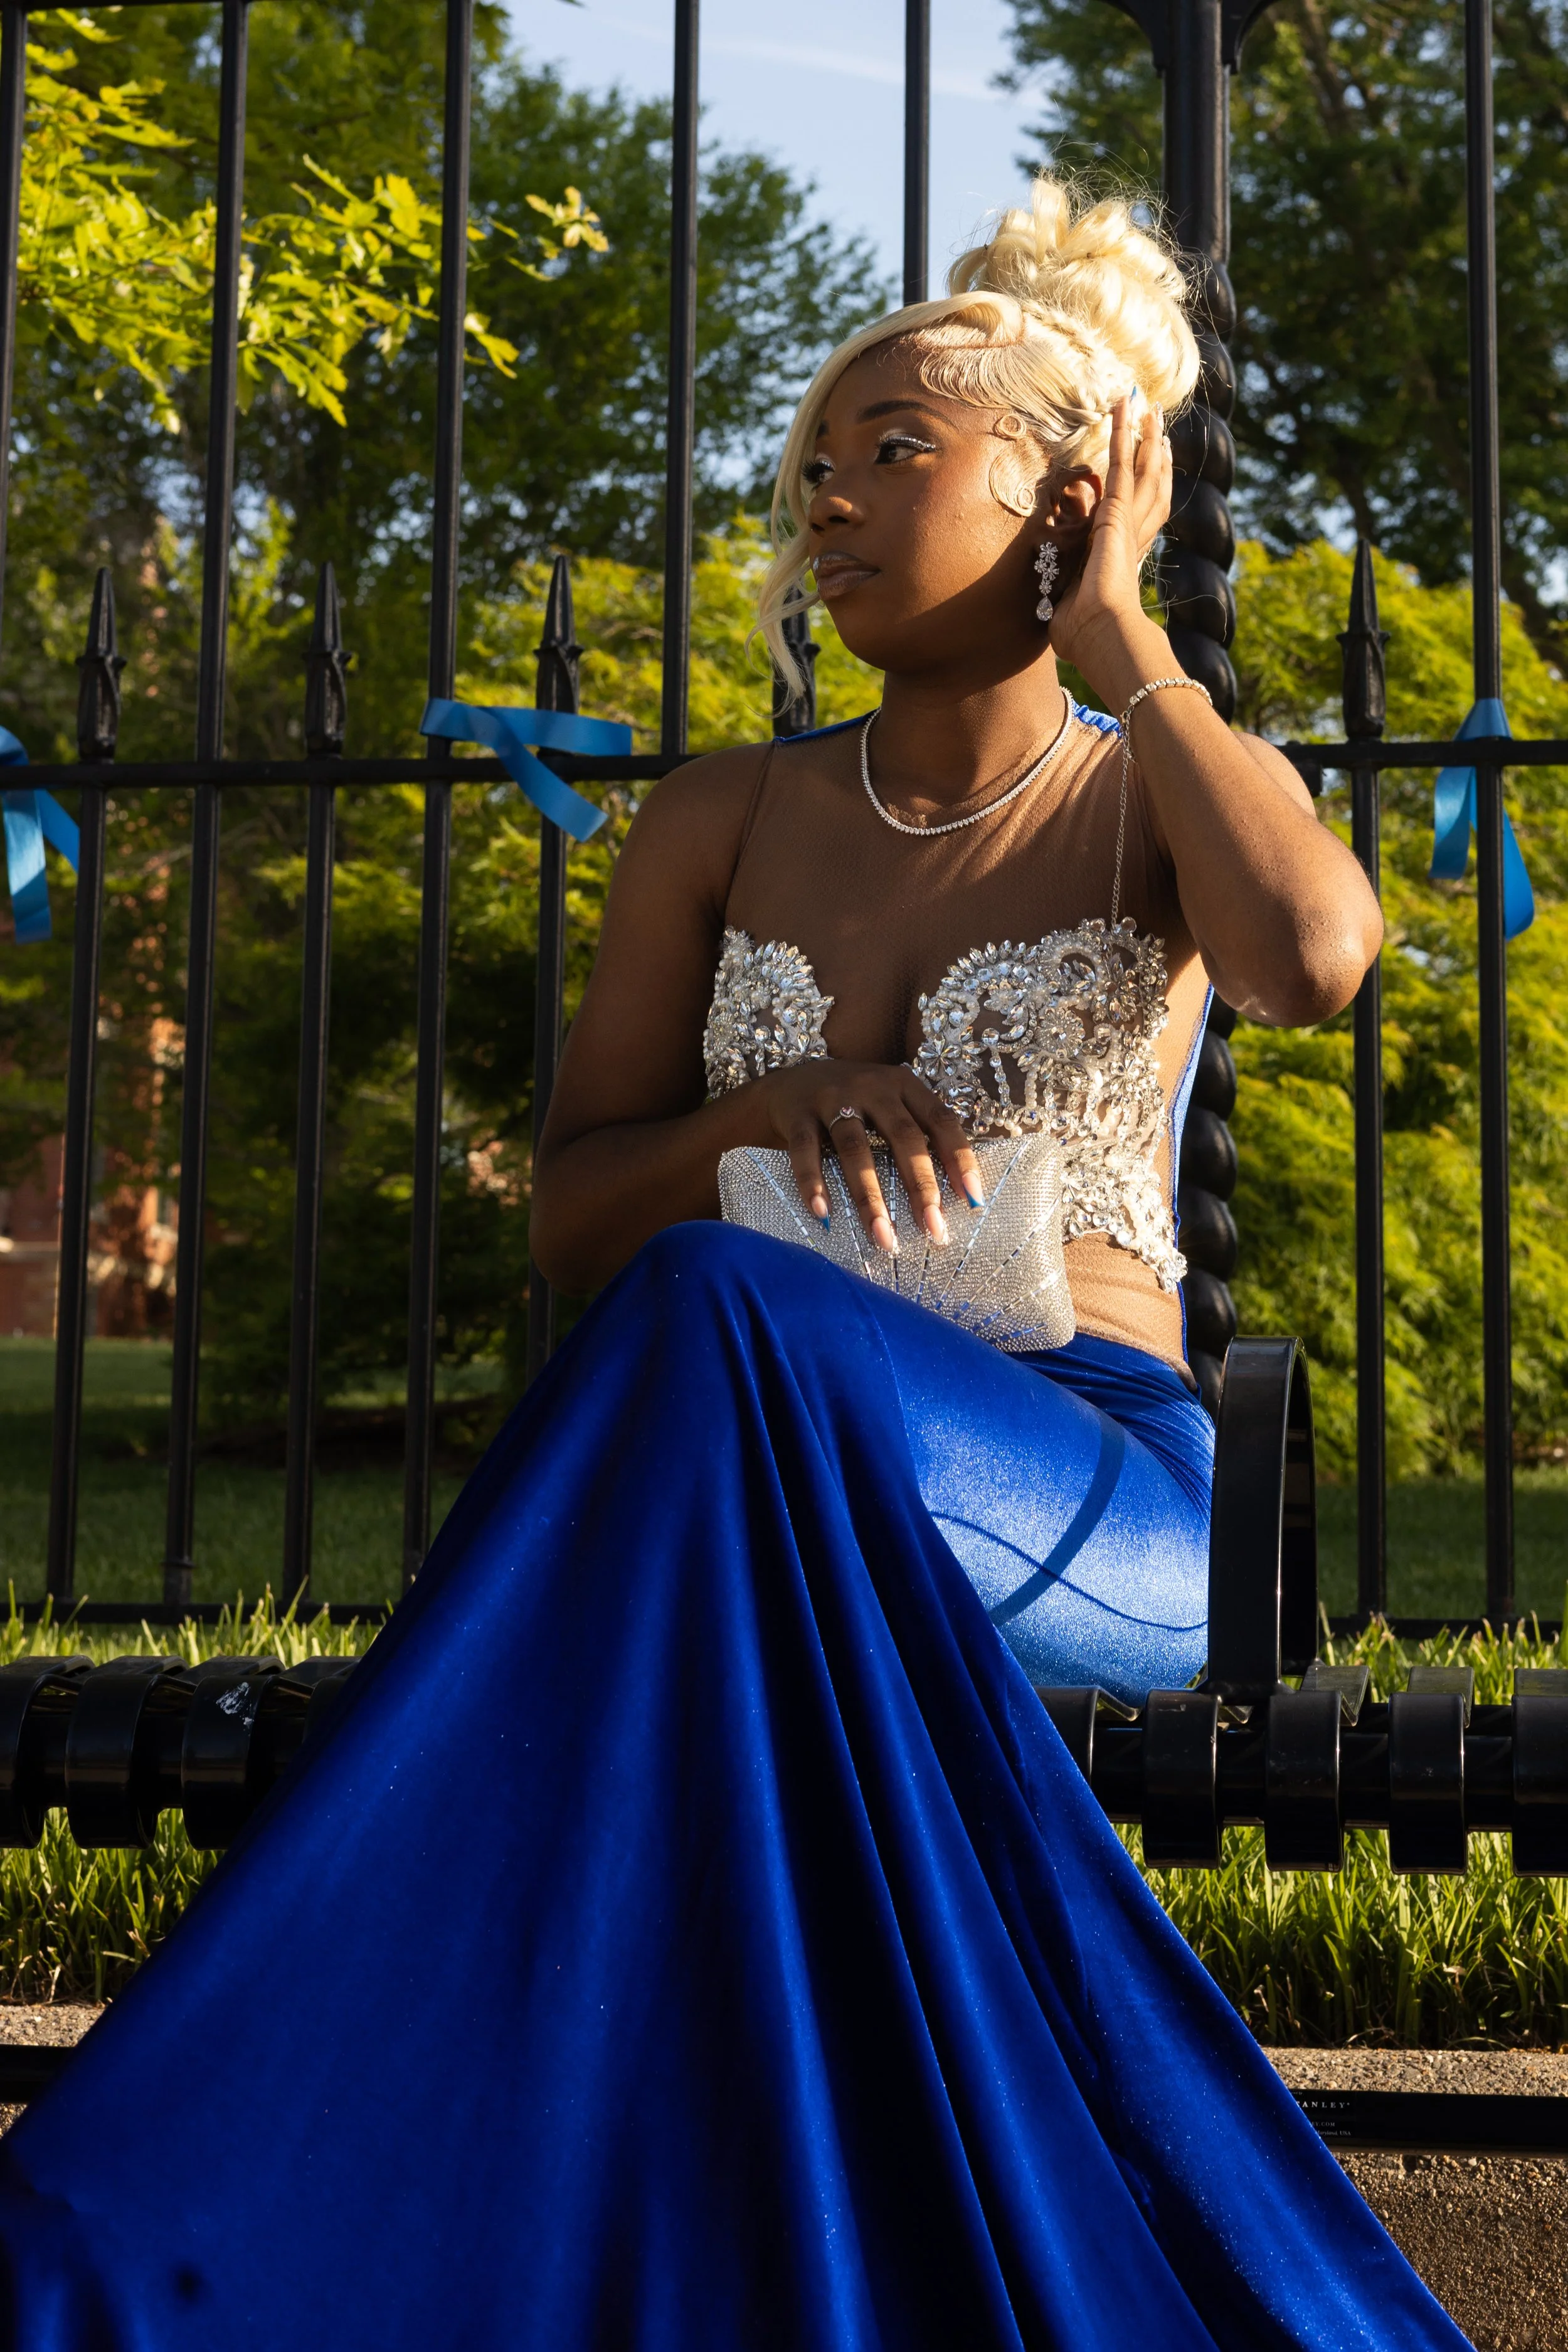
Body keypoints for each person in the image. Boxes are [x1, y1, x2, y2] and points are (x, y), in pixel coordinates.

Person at [0, 180, 1468, 2350]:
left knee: (710, 1318)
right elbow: (585, 1216)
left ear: (1063, 499)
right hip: (730, 1458)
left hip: (1086, 1496)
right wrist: (740, 1125)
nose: (829, 503)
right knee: (704, 1299)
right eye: (811, 467)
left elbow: (1317, 958)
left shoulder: (1148, 788)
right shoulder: (710, 816)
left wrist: (1130, 640)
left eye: (898, 452)